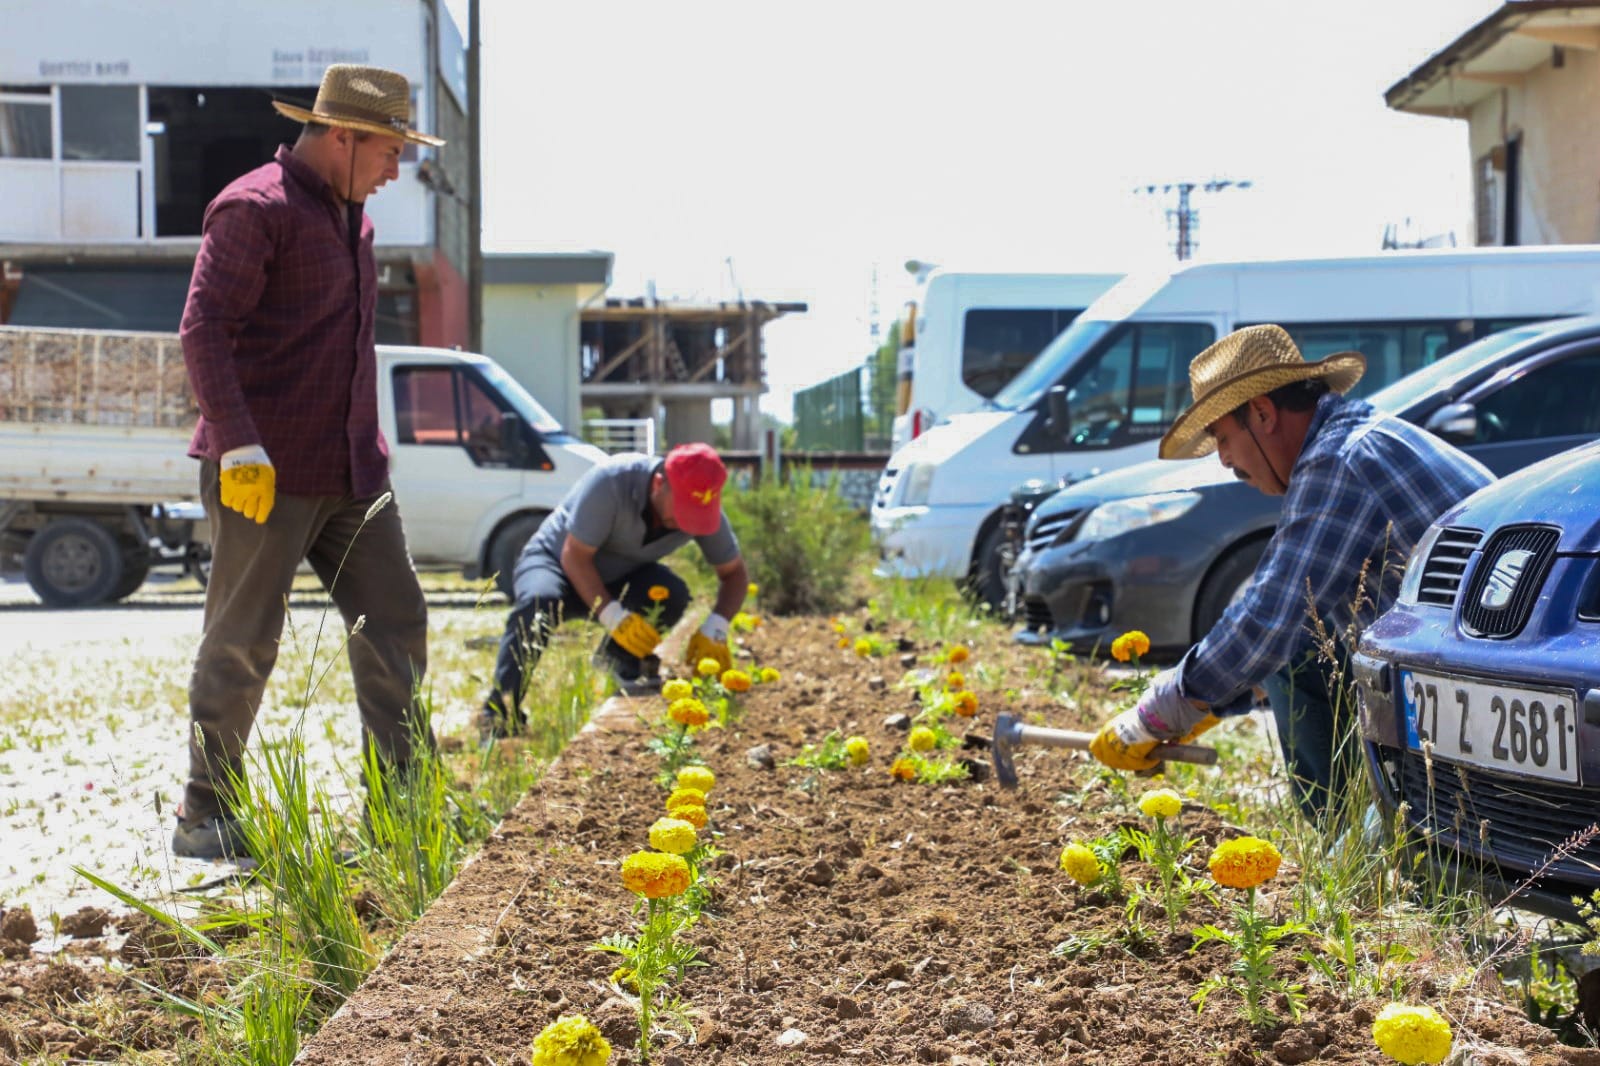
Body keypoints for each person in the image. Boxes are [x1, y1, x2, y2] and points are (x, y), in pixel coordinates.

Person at [172, 65, 445, 860]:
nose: (396, 169)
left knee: (395, 621)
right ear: (343, 137)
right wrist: (237, 440)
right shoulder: (255, 209)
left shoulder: (353, 219)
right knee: (244, 638)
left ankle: (402, 808)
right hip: (265, 469)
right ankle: (205, 816)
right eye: (390, 151)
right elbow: (203, 328)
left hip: (353, 471)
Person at [1087, 325, 1493, 817]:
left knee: (1292, 649)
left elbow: (1271, 617)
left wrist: (1155, 715)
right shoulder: (1356, 440)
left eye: (1222, 437)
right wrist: (1207, 701)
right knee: (1297, 651)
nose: (1224, 460)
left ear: (1262, 413)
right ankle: (1368, 824)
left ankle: (1349, 835)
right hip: (1468, 677)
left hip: (1479, 697)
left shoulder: (1339, 460)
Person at [482, 443, 749, 736]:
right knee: (538, 604)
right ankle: (500, 714)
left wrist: (717, 626)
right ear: (659, 484)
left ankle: (617, 658)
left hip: (620, 576)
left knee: (670, 594)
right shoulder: (612, 481)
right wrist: (613, 615)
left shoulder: (703, 509)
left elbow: (734, 573)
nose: (689, 522)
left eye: (697, 514)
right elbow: (574, 556)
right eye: (683, 511)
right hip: (557, 562)